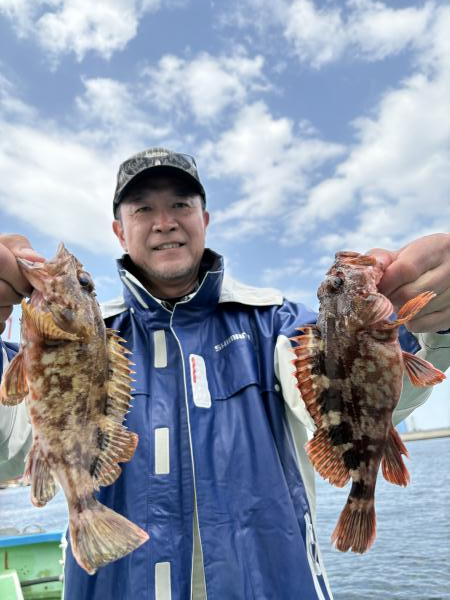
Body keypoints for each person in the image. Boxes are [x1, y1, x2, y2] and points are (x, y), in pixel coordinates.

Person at [0, 147, 449, 600]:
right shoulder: (85, 338)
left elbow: (348, 407)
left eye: (180, 204)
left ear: (205, 219)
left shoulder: (278, 323)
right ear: (119, 231)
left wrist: (433, 328)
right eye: (143, 209)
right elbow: (11, 448)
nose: (164, 222)